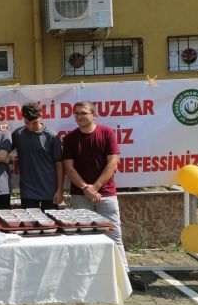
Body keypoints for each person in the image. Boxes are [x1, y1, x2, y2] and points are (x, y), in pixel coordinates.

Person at [62, 101, 148, 292]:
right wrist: (86, 188)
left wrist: (96, 187)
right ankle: (88, 276)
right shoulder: (70, 139)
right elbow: (69, 167)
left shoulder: (107, 133)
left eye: (83, 113)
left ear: (94, 115)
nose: (79, 117)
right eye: (76, 114)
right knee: (85, 236)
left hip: (107, 194)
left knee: (113, 235)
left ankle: (124, 276)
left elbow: (112, 164)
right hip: (80, 195)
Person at [11, 102, 64, 211]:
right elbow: (3, 150)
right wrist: (2, 129)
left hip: (50, 190)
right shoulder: (17, 134)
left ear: (41, 116)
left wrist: (59, 190)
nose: (30, 126)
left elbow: (59, 165)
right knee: (30, 225)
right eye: (26, 122)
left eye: (34, 123)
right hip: (28, 191)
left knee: (51, 226)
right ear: (23, 118)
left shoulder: (51, 136)